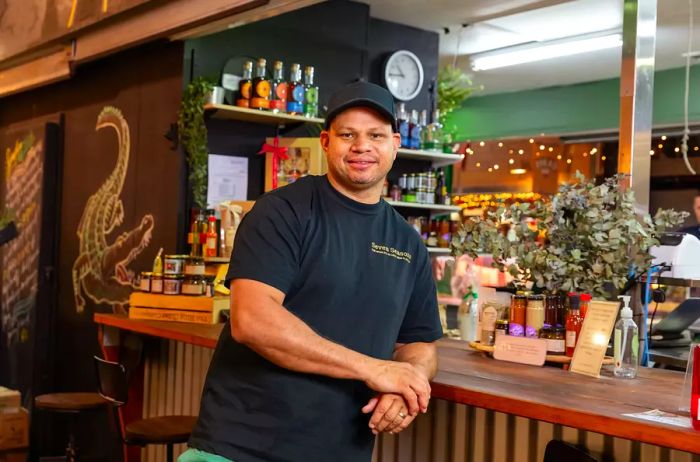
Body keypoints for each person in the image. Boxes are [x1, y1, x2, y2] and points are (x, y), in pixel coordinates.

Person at [181, 81, 443, 462]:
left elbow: (419, 342)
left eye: (376, 135)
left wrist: (407, 382)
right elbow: (252, 320)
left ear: (395, 143)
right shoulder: (282, 212)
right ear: (325, 142)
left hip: (341, 450)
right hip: (244, 446)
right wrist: (374, 370)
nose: (362, 146)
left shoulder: (408, 243)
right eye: (347, 135)